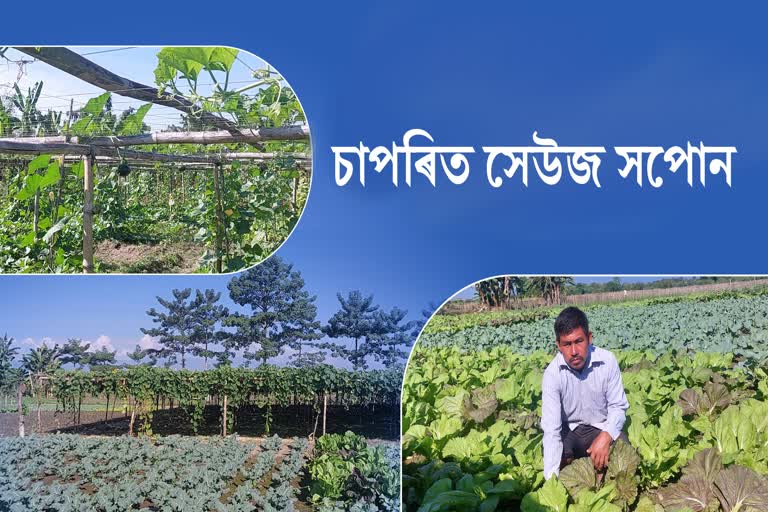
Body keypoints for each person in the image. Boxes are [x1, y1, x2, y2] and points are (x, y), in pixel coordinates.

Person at [541, 306, 629, 480]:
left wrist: (606, 436)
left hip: (600, 427)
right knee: (554, 456)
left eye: (579, 341)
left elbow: (618, 407)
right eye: (567, 344)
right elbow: (551, 428)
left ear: (589, 338)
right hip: (570, 431)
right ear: (558, 345)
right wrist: (551, 484)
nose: (574, 351)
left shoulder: (607, 361)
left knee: (624, 452)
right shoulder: (552, 374)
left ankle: (600, 473)